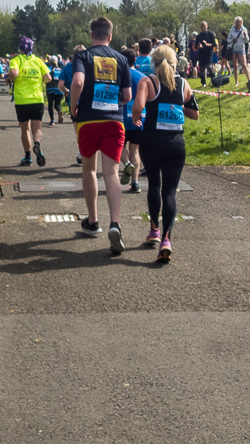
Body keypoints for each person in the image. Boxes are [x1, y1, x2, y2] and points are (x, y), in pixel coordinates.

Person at [131, 45, 199, 263]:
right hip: (175, 144)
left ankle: (154, 229)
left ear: (153, 62)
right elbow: (194, 114)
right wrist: (176, 106)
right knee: (170, 191)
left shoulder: (147, 82)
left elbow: (138, 106)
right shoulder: (184, 84)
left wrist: (137, 121)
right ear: (175, 62)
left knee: (154, 184)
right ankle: (167, 240)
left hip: (151, 141)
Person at [71, 17, 133, 254]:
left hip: (88, 119)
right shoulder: (121, 59)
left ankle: (93, 220)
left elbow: (77, 81)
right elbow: (127, 95)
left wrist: (73, 107)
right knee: (111, 172)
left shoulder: (83, 56)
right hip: (114, 121)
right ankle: (115, 223)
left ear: (91, 36)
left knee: (88, 169)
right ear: (110, 36)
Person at [8, 37, 51, 166]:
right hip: (37, 99)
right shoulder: (38, 61)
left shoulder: (16, 60)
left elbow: (14, 74)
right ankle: (37, 144)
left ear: (20, 48)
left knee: (25, 129)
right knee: (37, 128)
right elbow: (48, 78)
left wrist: (10, 78)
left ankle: (28, 157)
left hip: (22, 100)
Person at [119, 48, 146, 194]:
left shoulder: (120, 76)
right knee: (135, 150)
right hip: (140, 117)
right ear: (135, 60)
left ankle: (127, 163)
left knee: (120, 147)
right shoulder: (143, 77)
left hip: (122, 117)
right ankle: (135, 183)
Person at [226, 16, 250, 86]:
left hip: (241, 48)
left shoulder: (244, 29)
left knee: (244, 64)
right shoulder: (232, 30)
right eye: (237, 22)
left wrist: (245, 35)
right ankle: (236, 81)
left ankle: (249, 80)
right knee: (235, 65)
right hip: (234, 48)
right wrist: (232, 40)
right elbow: (228, 40)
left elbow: (247, 40)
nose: (238, 24)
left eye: (239, 22)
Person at [194, 21, 217, 86]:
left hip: (209, 53)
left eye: (204, 25)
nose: (203, 27)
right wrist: (199, 46)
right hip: (201, 53)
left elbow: (214, 44)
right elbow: (196, 46)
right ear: (200, 27)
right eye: (202, 26)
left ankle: (213, 79)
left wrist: (207, 45)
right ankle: (203, 82)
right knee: (201, 68)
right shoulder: (198, 36)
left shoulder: (210, 34)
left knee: (209, 66)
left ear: (207, 26)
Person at [46, 55, 65, 126]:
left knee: (50, 105)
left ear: (50, 62)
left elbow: (46, 78)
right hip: (59, 90)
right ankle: (59, 111)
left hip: (50, 89)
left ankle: (52, 121)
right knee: (57, 104)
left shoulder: (48, 69)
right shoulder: (60, 70)